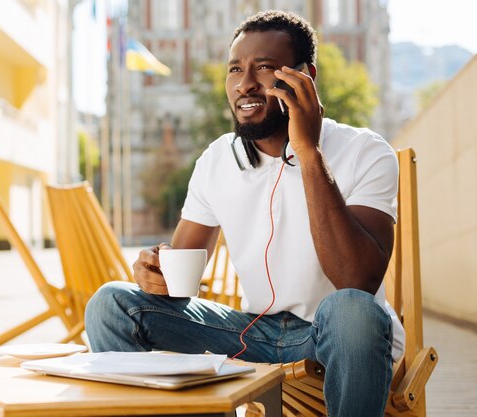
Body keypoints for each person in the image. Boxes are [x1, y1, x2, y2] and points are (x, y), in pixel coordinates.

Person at [85, 10, 404, 417]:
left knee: (355, 309)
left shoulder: (366, 150)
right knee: (111, 303)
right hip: (251, 333)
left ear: (305, 77)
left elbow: (356, 280)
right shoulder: (217, 159)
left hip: (335, 335)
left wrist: (307, 152)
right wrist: (153, 271)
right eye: (235, 69)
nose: (244, 84)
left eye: (265, 68)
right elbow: (177, 283)